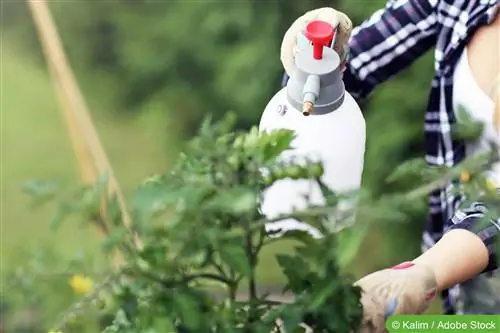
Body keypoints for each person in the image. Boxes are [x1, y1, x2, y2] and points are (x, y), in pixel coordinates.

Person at [279, 0, 500, 317]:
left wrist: (420, 273)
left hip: (459, 258)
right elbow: (350, 72)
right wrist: (317, 63)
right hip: (469, 294)